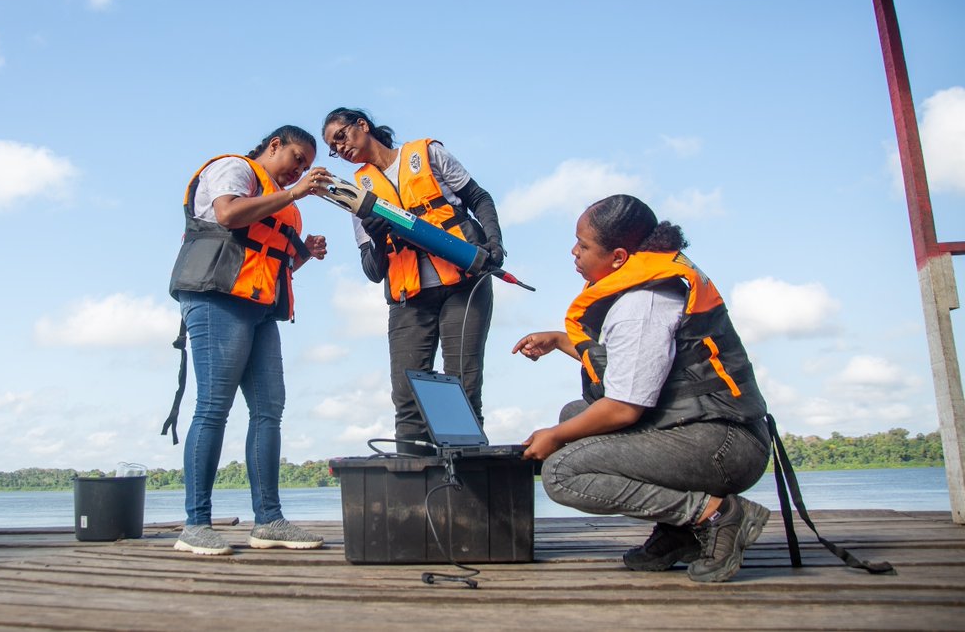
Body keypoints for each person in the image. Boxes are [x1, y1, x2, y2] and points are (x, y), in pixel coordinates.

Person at [512, 194, 771, 583]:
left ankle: (715, 515)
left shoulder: (642, 304)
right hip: (710, 428)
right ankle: (678, 531)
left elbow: (624, 409)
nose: (574, 252)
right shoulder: (647, 289)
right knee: (573, 415)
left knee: (561, 471)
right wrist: (560, 340)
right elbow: (638, 370)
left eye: (583, 245)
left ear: (618, 257)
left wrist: (554, 437)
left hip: (725, 446)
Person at [168, 125, 332, 555]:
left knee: (268, 411)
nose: (300, 170)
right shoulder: (234, 170)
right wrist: (296, 193)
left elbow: (273, 265)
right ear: (274, 145)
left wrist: (304, 254)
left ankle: (269, 520)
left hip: (260, 309)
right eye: (298, 158)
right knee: (213, 408)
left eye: (307, 166)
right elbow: (227, 216)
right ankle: (196, 525)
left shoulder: (281, 201)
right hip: (215, 300)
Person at [321, 108, 505, 454]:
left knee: (463, 386)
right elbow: (373, 270)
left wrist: (494, 242)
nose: (339, 148)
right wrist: (376, 240)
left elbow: (478, 197)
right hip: (409, 299)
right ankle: (413, 491)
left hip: (465, 285)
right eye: (333, 147)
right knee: (407, 397)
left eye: (340, 136)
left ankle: (465, 488)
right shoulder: (357, 192)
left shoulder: (427, 154)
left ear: (362, 125)